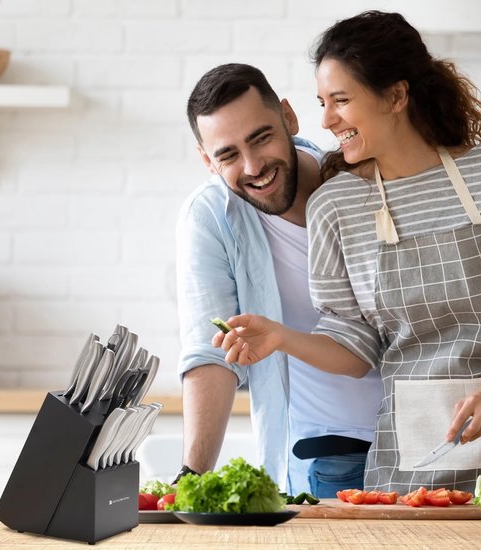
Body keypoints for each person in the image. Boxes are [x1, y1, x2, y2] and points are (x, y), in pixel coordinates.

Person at [214, 12, 481, 498]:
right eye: (322, 102)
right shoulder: (336, 207)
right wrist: (279, 337)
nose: (326, 120)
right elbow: (356, 349)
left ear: (397, 96)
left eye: (341, 100)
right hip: (409, 467)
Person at [175, 63, 383, 496]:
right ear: (206, 160)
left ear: (289, 117)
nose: (253, 166)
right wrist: (191, 479)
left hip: (433, 435)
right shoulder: (212, 218)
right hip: (333, 449)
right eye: (228, 155)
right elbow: (212, 352)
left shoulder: (362, 179)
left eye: (261, 137)